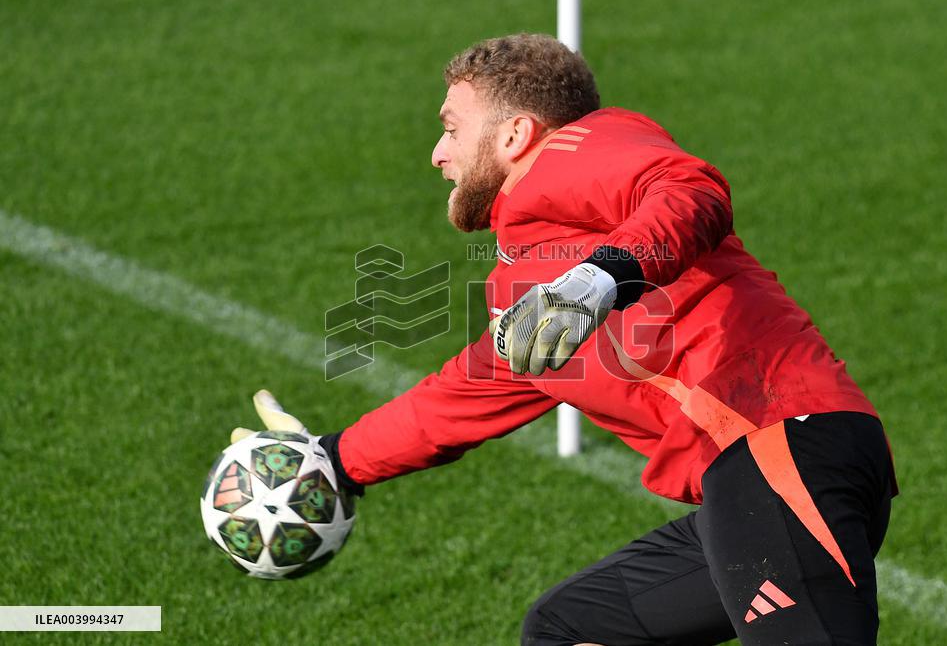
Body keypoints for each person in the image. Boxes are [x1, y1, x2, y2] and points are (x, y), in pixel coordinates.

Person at [239, 34, 897, 645]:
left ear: (516, 134)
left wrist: (603, 277)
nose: (437, 155)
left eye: (450, 129)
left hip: (783, 446)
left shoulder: (579, 150)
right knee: (572, 627)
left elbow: (687, 188)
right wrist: (335, 460)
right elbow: (466, 391)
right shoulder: (523, 287)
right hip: (745, 489)